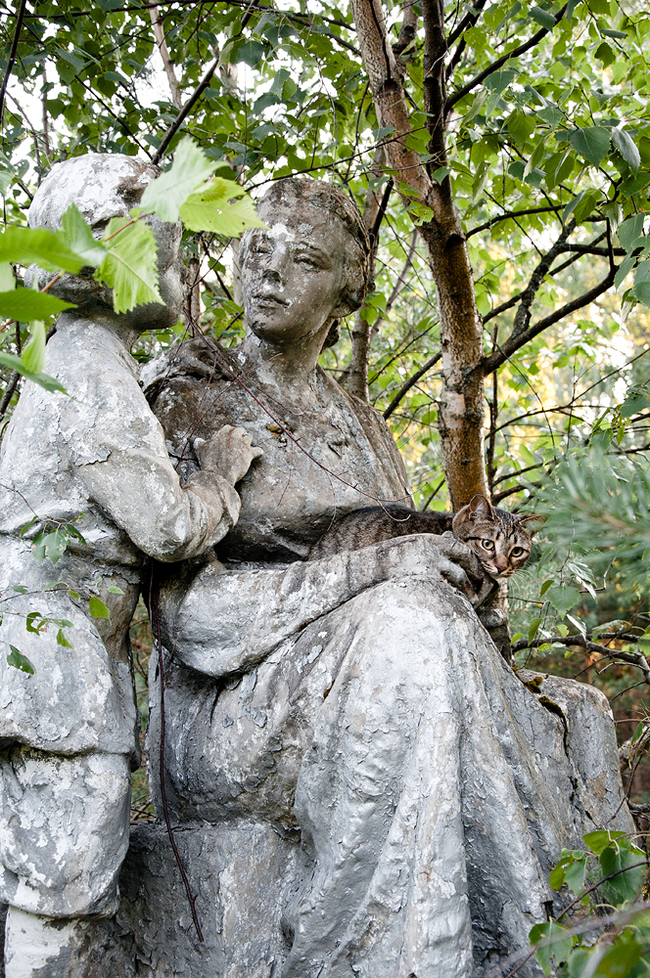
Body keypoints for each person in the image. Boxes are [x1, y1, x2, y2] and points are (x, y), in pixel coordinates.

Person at [143, 178, 632, 978]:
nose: (269, 272)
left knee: (574, 702)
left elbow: (406, 559)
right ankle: (379, 958)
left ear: (347, 290)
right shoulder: (191, 397)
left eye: (302, 259)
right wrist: (389, 568)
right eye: (254, 248)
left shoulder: (361, 422)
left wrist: (465, 578)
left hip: (360, 678)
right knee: (407, 625)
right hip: (230, 713)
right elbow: (195, 618)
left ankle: (558, 940)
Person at [0, 154, 260, 977]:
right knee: (61, 886)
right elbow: (167, 527)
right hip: (56, 670)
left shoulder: (84, 360)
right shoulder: (87, 366)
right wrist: (218, 476)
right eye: (171, 249)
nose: (182, 272)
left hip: (55, 656)